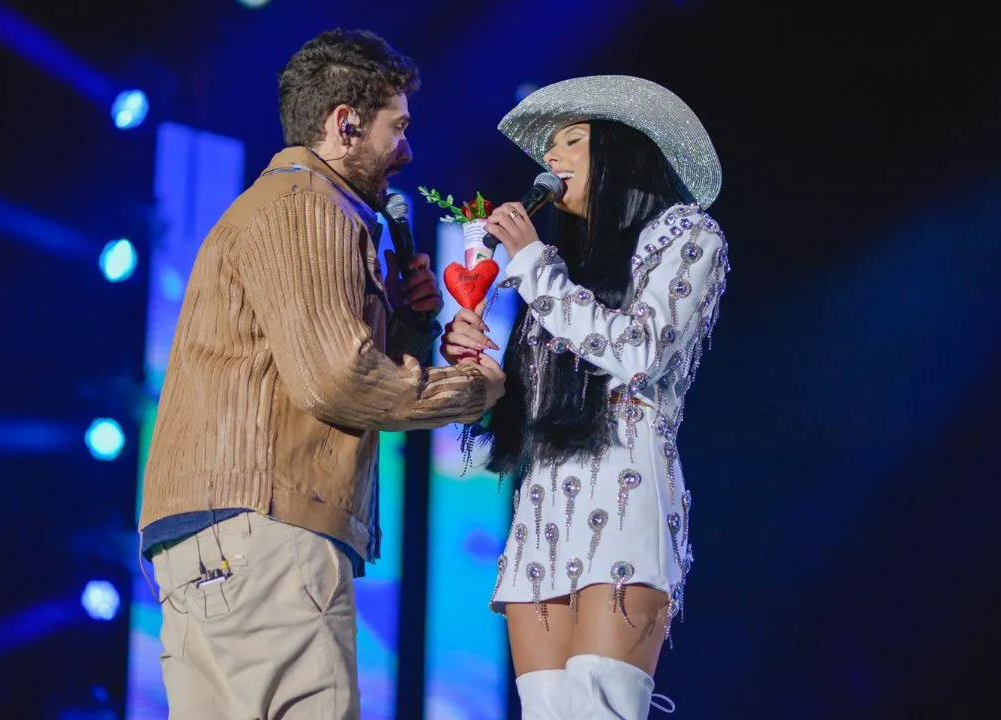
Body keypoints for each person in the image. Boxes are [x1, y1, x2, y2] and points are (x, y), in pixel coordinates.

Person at [138, 29, 505, 720]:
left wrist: (405, 321)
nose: (409, 150)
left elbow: (297, 366)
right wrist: (472, 388)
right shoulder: (313, 205)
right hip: (267, 527)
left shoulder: (268, 207)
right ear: (345, 124)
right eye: (397, 129)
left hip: (205, 538)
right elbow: (338, 380)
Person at [441, 75, 730, 718]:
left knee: (601, 706)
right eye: (549, 148)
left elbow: (640, 351)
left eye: (572, 140)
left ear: (626, 149)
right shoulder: (561, 270)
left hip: (623, 498)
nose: (551, 159)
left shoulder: (688, 234)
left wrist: (534, 266)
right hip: (541, 507)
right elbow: (521, 406)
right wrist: (470, 360)